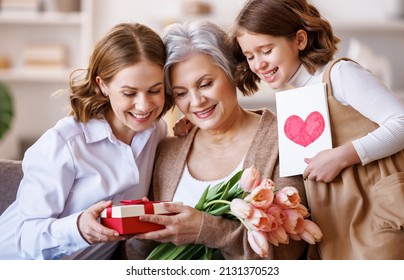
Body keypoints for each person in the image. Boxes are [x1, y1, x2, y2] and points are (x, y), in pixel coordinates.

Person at [230, 0, 404, 259]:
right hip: (334, 223)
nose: (258, 64)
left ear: (300, 40)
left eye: (266, 50)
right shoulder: (296, 98)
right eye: (250, 56)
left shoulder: (340, 74)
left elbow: (401, 122)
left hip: (376, 216)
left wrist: (342, 156)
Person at [125, 20, 308, 260]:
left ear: (233, 72)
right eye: (181, 93)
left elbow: (287, 251)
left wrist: (206, 229)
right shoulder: (167, 151)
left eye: (206, 84)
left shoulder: (285, 140)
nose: (197, 101)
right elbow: (138, 256)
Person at [0, 22, 173, 260]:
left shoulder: (156, 131)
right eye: (129, 93)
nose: (144, 106)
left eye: (154, 90)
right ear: (103, 85)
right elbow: (25, 237)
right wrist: (78, 227)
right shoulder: (65, 143)